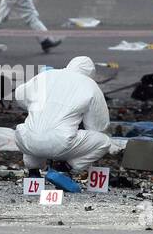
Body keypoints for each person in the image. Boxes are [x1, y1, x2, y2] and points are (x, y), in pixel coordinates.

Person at [13, 56, 112, 193]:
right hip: (60, 142)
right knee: (104, 142)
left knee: (33, 129)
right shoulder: (89, 85)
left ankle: (34, 174)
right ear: (90, 74)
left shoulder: (47, 75)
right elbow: (98, 126)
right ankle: (64, 169)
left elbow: (19, 95)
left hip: (24, 140)